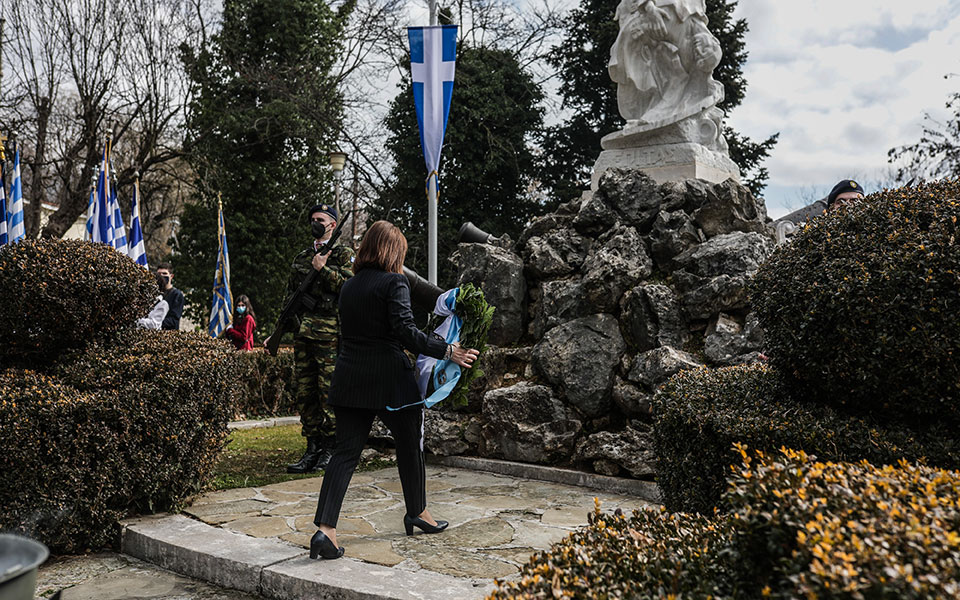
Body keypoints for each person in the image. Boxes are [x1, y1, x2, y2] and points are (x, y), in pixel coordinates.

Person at [309, 220, 479, 560]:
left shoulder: (349, 286)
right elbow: (405, 331)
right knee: (410, 443)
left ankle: (325, 531)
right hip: (390, 381)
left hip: (349, 377)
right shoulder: (395, 282)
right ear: (392, 252)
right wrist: (449, 351)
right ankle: (418, 512)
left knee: (345, 453)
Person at [263, 204, 355, 474]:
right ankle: (312, 448)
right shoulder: (302, 257)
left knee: (327, 392)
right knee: (305, 393)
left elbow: (350, 289)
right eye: (312, 219)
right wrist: (277, 330)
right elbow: (290, 297)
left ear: (333, 225)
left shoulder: (343, 254)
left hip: (329, 336)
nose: (315, 223)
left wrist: (323, 270)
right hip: (303, 335)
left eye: (321, 220)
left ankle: (330, 448)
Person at [156, 263, 184, 331]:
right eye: (159, 274)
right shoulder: (153, 293)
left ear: (171, 276)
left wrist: (155, 323)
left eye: (164, 273)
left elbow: (174, 320)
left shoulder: (176, 295)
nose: (161, 276)